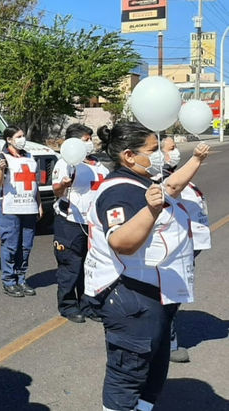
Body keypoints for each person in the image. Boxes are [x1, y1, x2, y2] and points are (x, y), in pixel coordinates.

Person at [85, 122, 209, 411]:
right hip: (130, 296)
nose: (159, 156)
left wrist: (196, 159)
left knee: (152, 373)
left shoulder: (145, 180)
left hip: (156, 295)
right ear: (129, 155)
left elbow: (174, 186)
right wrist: (151, 210)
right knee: (128, 375)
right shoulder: (118, 192)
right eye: (153, 150)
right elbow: (121, 242)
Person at [51, 124, 107, 323]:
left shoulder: (99, 165)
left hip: (93, 224)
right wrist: (64, 185)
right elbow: (57, 191)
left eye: (90, 138)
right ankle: (68, 306)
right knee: (71, 266)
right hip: (70, 223)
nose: (89, 143)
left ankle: (89, 305)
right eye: (85, 139)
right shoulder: (64, 163)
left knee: (90, 266)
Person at [162, 138, 208, 363]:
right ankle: (167, 343)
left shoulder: (179, 175)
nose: (176, 152)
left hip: (188, 246)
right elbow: (171, 188)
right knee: (167, 296)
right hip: (170, 249)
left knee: (173, 296)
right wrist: (197, 158)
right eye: (171, 148)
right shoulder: (162, 180)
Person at [0, 126, 42, 298]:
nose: (22, 139)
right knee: (11, 245)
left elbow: (35, 184)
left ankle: (22, 279)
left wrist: (39, 204)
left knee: (26, 246)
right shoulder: (1, 157)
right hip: (9, 208)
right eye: (18, 136)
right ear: (9, 139)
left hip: (29, 207)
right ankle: (9, 281)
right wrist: (1, 169)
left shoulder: (30, 157)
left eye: (23, 136)